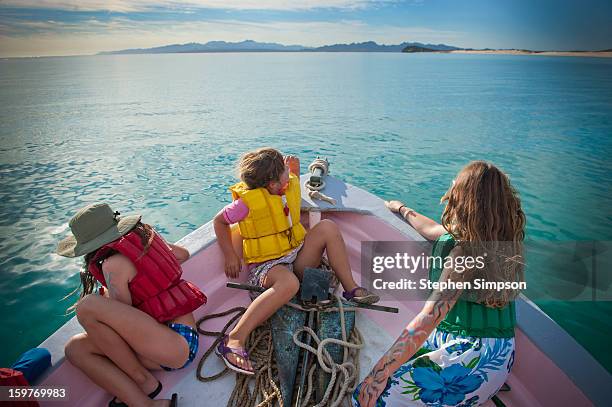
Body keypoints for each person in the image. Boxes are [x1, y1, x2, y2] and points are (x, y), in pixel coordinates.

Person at [355, 161, 525, 407]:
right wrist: (402, 209)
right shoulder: (500, 240)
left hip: (469, 355)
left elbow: (428, 319)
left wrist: (378, 375)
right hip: (501, 356)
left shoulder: (463, 254)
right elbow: (434, 229)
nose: (452, 184)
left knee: (366, 398)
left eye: (456, 183)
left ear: (465, 199)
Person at [213, 147, 379, 375]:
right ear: (271, 184)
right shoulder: (246, 204)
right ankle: (234, 339)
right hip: (268, 267)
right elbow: (219, 222)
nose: (289, 175)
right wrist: (231, 254)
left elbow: (289, 191)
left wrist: (293, 170)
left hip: (294, 254)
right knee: (289, 284)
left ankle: (351, 289)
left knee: (327, 227)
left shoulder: (283, 185)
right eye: (284, 171)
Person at [57, 203, 207, 407]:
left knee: (87, 306)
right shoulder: (146, 239)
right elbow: (182, 254)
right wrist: (150, 273)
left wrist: (109, 297)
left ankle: (142, 380)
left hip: (174, 346)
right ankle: (145, 403)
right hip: (179, 341)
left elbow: (123, 320)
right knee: (75, 348)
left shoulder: (112, 265)